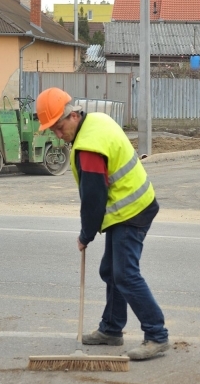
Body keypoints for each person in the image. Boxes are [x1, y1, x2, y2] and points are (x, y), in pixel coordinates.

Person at [36, 88, 170, 361]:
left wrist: (86, 234)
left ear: (73, 116)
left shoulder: (89, 147)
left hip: (131, 211)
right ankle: (111, 329)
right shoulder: (96, 120)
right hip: (133, 204)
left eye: (59, 128)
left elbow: (93, 199)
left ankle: (157, 335)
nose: (58, 136)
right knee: (111, 270)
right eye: (53, 131)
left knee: (125, 274)